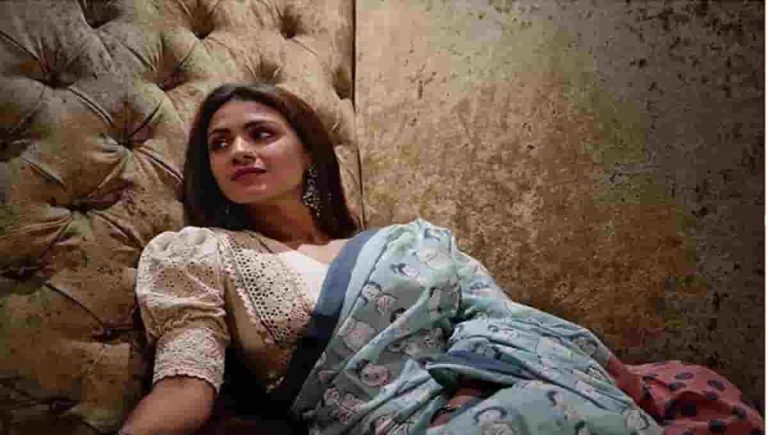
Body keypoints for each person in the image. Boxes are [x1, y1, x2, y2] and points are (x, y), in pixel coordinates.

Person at [120, 83, 763, 435]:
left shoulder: (414, 243)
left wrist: (589, 369)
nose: (238, 150)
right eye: (219, 143)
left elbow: (506, 321)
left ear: (308, 153)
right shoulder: (199, 253)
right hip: (392, 423)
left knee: (690, 386)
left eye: (261, 133)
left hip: (492, 382)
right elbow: (185, 386)